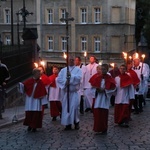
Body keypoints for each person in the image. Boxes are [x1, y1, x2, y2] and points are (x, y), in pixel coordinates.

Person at [56, 56, 82, 130]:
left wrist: (71, 78)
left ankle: (76, 122)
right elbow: (59, 79)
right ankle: (68, 124)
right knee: (66, 108)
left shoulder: (78, 70)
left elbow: (79, 78)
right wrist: (65, 82)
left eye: (72, 60)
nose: (71, 61)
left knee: (74, 108)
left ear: (74, 61)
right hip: (66, 93)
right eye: (69, 60)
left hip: (74, 93)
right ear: (67, 61)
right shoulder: (63, 70)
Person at [18, 68, 47, 132]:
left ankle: (34, 126)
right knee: (29, 113)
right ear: (34, 74)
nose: (39, 75)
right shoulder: (29, 81)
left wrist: (43, 101)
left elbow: (43, 92)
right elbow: (24, 87)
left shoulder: (40, 82)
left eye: (40, 74)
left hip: (37, 100)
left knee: (36, 113)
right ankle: (29, 125)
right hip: (30, 99)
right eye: (38, 73)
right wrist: (20, 85)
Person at [89, 64, 116, 134]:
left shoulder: (109, 78)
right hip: (98, 97)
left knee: (103, 114)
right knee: (97, 113)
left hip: (104, 97)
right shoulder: (97, 77)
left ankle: (104, 128)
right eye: (102, 69)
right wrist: (97, 89)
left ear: (107, 70)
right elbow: (92, 87)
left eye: (104, 69)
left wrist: (104, 90)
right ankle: (98, 128)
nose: (102, 70)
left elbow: (113, 88)